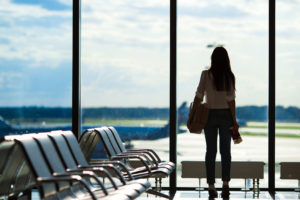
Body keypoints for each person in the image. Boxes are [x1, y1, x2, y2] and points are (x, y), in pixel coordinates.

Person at [193, 46, 239, 198]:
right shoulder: (229, 76)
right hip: (225, 115)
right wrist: (234, 120)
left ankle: (211, 186)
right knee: (226, 152)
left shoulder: (205, 75)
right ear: (227, 60)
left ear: (212, 59)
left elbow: (199, 95)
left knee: (210, 151)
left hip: (209, 115)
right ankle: (226, 185)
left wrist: (193, 113)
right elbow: (231, 101)